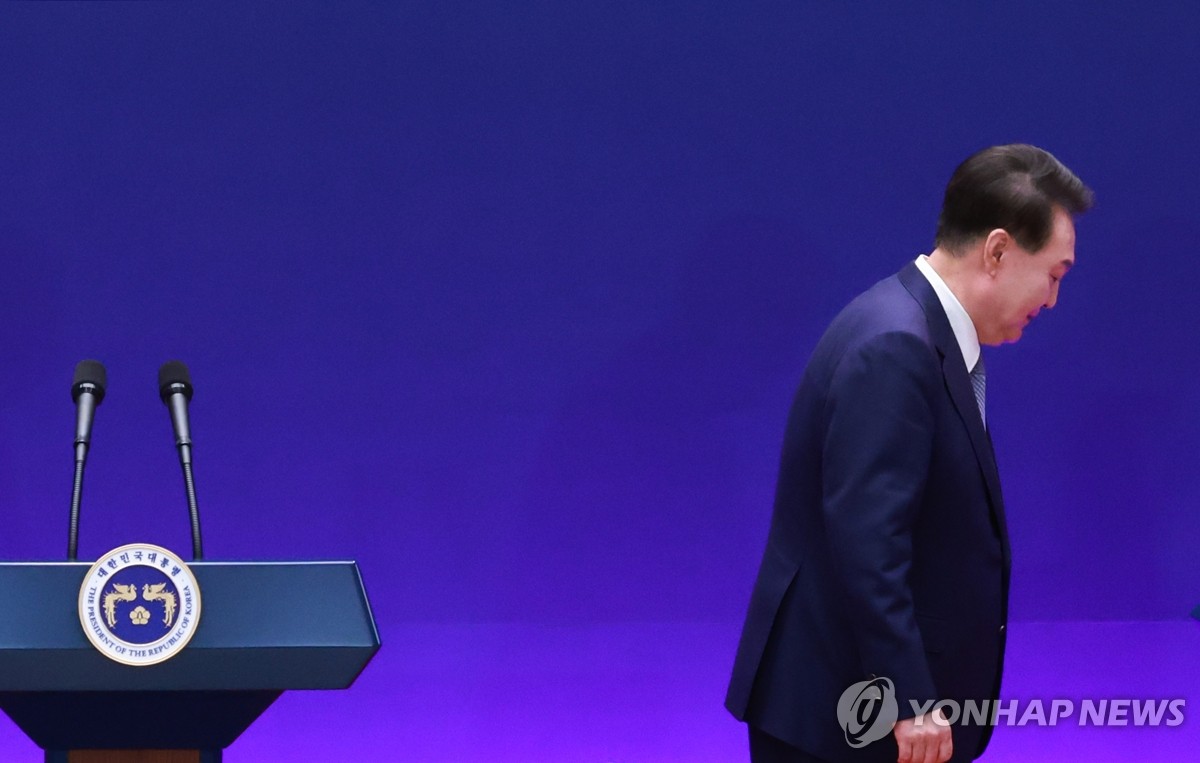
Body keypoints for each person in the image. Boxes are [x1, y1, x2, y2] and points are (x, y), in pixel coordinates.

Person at [725, 144, 1093, 763]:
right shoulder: (896, 347)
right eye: (1054, 274)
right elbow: (868, 545)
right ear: (997, 251)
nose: (1053, 299)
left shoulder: (913, 326)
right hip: (847, 722)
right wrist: (909, 698)